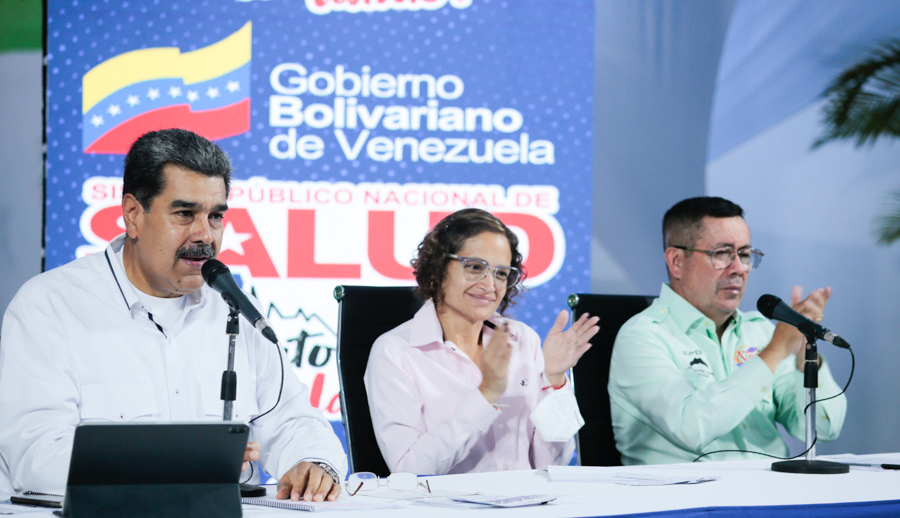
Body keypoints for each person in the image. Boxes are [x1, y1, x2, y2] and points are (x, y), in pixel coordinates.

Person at [0, 129, 346, 501]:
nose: (204, 235)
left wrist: (316, 463)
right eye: (184, 214)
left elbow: (294, 420)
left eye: (215, 216)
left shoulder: (234, 309)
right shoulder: (50, 306)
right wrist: (180, 463)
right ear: (133, 215)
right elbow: (35, 455)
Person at [608, 196, 847, 465]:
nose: (739, 269)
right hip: (689, 501)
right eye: (721, 254)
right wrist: (775, 351)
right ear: (676, 261)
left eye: (745, 255)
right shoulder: (643, 337)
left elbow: (824, 429)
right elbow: (692, 428)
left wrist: (806, 354)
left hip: (772, 495)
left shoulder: (758, 332)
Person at [364, 208, 600, 474]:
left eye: (501, 273)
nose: (490, 285)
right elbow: (410, 470)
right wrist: (485, 395)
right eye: (475, 267)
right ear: (438, 268)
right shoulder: (395, 351)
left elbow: (552, 466)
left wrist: (555, 382)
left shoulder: (524, 340)